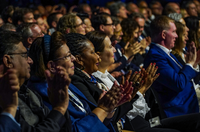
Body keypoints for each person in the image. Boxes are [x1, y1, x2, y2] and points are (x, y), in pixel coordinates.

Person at [28, 31, 133, 131]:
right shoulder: (43, 93)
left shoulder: (65, 84)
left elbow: (95, 118)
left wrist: (109, 109)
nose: (73, 58)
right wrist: (103, 109)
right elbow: (74, 129)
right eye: (68, 56)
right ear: (51, 66)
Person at [0, 31, 71, 132]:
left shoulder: (28, 92)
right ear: (8, 61)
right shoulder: (4, 101)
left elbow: (63, 128)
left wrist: (59, 107)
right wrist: (59, 108)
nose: (30, 60)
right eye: (25, 55)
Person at [144, 15, 200, 117]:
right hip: (178, 112)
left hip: (188, 107)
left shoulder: (166, 53)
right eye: (174, 32)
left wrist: (194, 63)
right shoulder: (155, 57)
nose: (177, 36)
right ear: (164, 35)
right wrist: (190, 64)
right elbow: (178, 83)